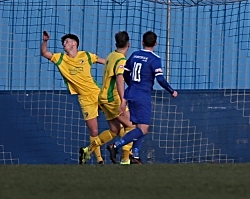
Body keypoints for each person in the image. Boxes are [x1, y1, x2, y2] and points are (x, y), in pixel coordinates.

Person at [107, 31, 178, 163]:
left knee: (140, 127)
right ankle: (115, 146)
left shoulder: (134, 55)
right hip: (142, 95)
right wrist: (171, 91)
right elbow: (160, 79)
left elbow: (125, 73)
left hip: (131, 93)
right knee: (143, 129)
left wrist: (133, 85)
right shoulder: (155, 59)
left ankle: (135, 155)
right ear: (155, 43)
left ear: (142, 42)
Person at [40, 31, 107, 164]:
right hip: (85, 99)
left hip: (98, 93)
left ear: (75, 43)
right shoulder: (60, 58)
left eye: (67, 41)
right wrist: (45, 41)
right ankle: (99, 160)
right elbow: (44, 53)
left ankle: (127, 156)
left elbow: (104, 61)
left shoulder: (86, 55)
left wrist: (119, 64)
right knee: (94, 130)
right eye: (63, 42)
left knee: (119, 120)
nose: (64, 44)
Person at [79, 31, 136, 165]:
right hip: (112, 99)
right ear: (129, 44)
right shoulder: (121, 60)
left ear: (116, 43)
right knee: (131, 126)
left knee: (115, 130)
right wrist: (123, 100)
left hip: (103, 98)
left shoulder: (111, 55)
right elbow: (119, 78)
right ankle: (126, 158)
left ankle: (88, 149)